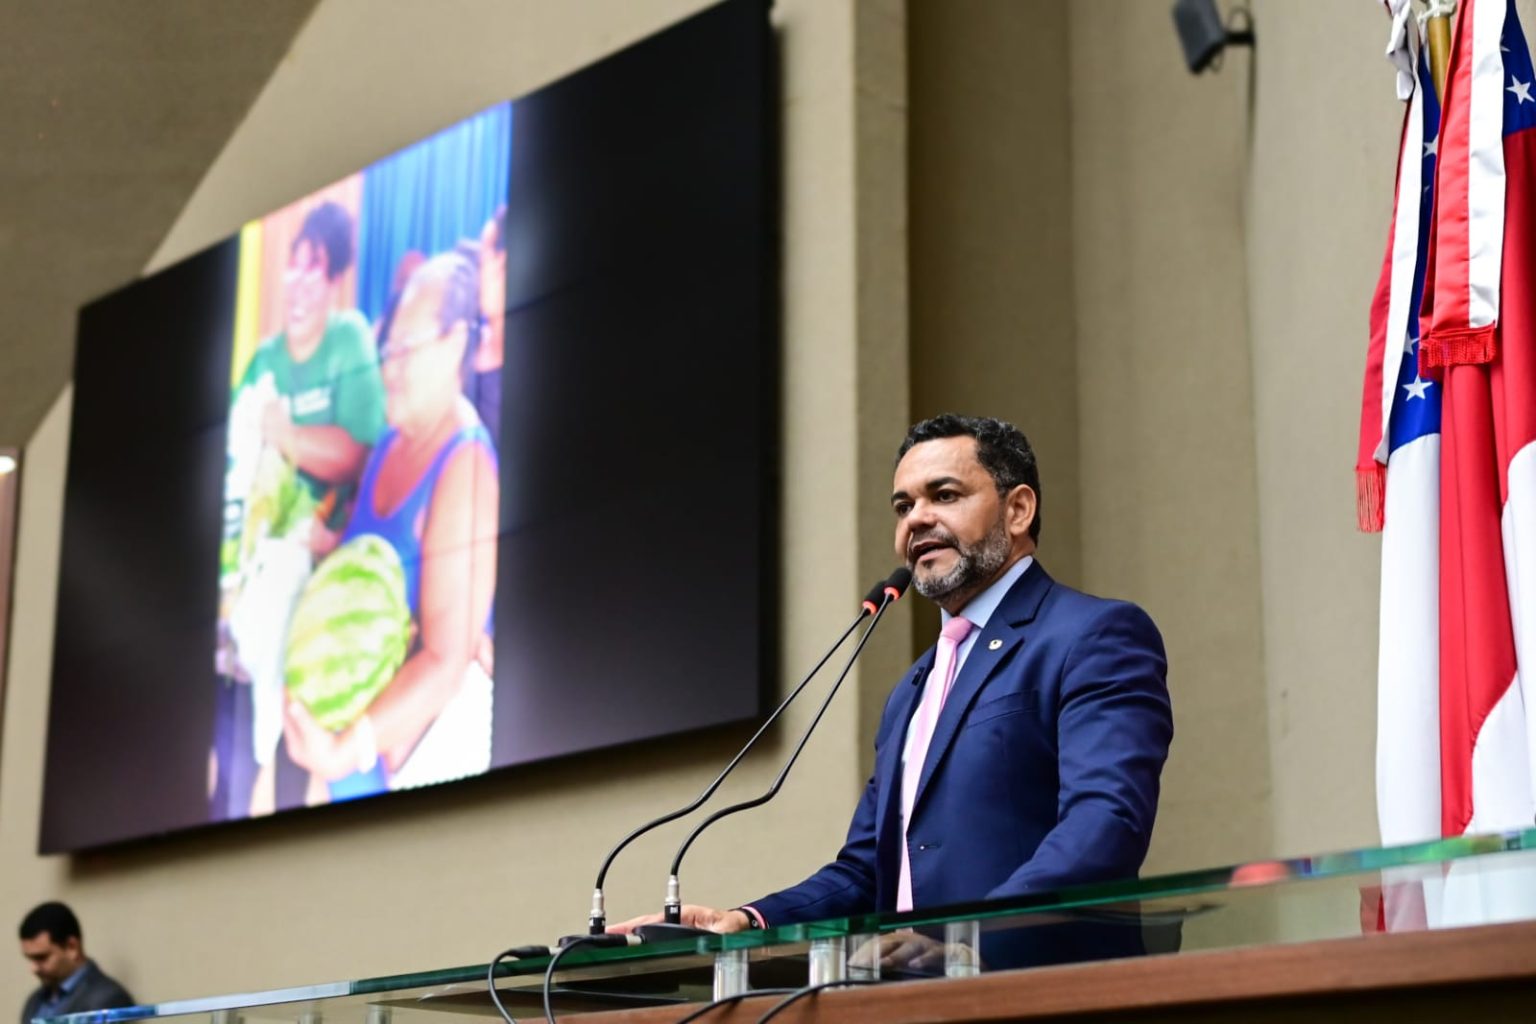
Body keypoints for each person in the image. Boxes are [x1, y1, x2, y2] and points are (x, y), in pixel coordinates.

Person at [614, 414, 1174, 967]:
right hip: (911, 995)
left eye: (944, 495)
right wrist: (750, 921)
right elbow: (865, 872)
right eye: (904, 506)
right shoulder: (913, 689)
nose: (917, 519)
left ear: (1018, 509)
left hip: (1044, 990)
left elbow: (1104, 824)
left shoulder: (1092, 635)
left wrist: (971, 942)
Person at [279, 250, 499, 803]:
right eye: (387, 350)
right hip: (338, 767)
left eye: (404, 349)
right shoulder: (389, 441)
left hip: (391, 782)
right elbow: (368, 559)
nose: (388, 369)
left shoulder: (465, 467)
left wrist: (343, 751)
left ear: (454, 343)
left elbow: (447, 662)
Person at [213, 200, 389, 821]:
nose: (300, 281)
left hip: (317, 577)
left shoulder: (350, 341)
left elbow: (358, 453)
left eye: (316, 267)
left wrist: (287, 436)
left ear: (334, 279)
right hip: (250, 573)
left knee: (292, 722)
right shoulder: (264, 360)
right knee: (234, 713)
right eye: (294, 264)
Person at [17, 903, 133, 1024]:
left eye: (42, 957)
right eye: (30, 958)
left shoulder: (107, 999)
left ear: (72, 947)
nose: (34, 968)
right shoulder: (34, 1001)